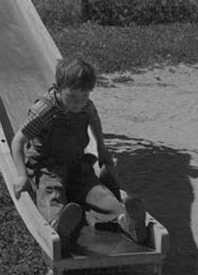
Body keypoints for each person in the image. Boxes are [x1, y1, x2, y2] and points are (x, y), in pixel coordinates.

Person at [10, 55, 149, 251]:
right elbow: (18, 141)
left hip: (76, 163)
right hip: (47, 166)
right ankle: (58, 224)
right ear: (58, 89)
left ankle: (126, 220)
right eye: (72, 96)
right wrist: (22, 176)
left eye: (84, 96)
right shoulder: (44, 109)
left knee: (96, 191)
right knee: (51, 192)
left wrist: (102, 150)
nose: (78, 102)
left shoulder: (86, 106)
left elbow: (95, 122)